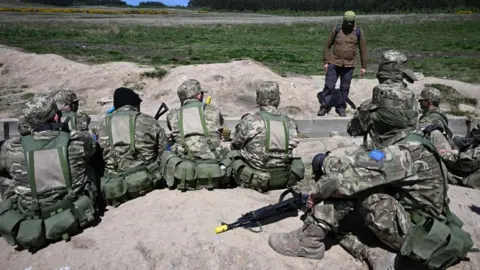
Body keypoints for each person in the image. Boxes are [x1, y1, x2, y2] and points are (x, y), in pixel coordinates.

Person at [268, 53, 474, 270]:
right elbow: (367, 161)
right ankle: (350, 243)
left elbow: (347, 180)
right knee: (355, 180)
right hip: (416, 218)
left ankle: (310, 240)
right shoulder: (409, 139)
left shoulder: (400, 153)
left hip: (418, 235)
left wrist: (315, 193)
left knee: (358, 188)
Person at [0, 96, 100, 250]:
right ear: (55, 116)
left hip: (32, 213)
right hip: (74, 206)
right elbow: (93, 148)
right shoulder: (76, 139)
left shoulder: (11, 147)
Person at [95, 87, 167, 207]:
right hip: (147, 182)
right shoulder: (148, 120)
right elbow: (163, 151)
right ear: (135, 105)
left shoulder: (101, 124)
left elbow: (98, 156)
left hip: (115, 188)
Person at [229, 81, 304, 192]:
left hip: (255, 179)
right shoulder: (290, 122)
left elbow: (235, 145)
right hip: (282, 179)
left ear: (258, 100)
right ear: (278, 100)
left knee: (232, 155)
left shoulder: (250, 120)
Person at [161, 79, 231, 191]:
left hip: (184, 171)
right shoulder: (213, 110)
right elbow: (226, 132)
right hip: (214, 167)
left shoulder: (172, 115)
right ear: (198, 95)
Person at [318, 10, 367, 117]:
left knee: (344, 87)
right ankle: (324, 106)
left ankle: (341, 107)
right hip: (334, 63)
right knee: (329, 85)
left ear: (354, 21)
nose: (349, 24)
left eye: (351, 22)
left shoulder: (358, 31)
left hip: (349, 65)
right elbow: (327, 45)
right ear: (343, 20)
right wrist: (326, 61)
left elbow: (363, 49)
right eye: (347, 22)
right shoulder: (336, 29)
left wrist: (363, 66)